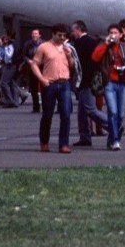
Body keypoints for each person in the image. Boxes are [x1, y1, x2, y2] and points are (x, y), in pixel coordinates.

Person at [90, 24, 125, 151]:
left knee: (121, 114)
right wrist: (105, 44)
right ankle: (116, 140)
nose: (113, 35)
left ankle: (111, 139)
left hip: (122, 82)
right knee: (113, 111)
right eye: (111, 32)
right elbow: (95, 57)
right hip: (109, 82)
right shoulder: (104, 46)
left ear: (121, 35)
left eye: (115, 32)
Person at [32, 24, 77, 153]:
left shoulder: (66, 48)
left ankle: (63, 144)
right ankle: (44, 142)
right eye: (59, 35)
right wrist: (41, 79)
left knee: (66, 114)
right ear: (53, 34)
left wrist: (69, 56)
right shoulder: (44, 47)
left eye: (64, 35)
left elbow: (72, 66)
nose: (62, 38)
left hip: (64, 83)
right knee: (47, 114)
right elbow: (35, 64)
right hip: (49, 83)